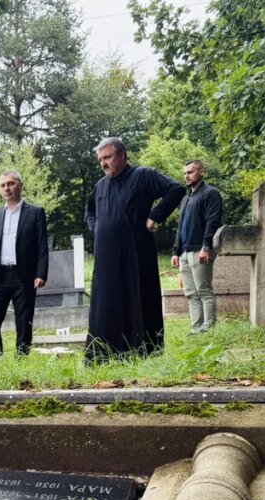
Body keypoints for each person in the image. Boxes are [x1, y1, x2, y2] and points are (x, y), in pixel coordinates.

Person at [84, 137, 185, 362]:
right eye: (100, 159)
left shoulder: (143, 176)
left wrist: (154, 216)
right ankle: (104, 353)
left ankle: (141, 351)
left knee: (138, 297)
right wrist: (97, 227)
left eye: (107, 157)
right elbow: (89, 211)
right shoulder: (100, 186)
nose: (103, 163)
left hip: (136, 254)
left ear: (122, 155)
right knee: (106, 302)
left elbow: (175, 190)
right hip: (106, 258)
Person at [0, 170, 49, 355]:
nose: (7, 188)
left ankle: (22, 358)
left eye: (11, 183)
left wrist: (41, 274)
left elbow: (42, 246)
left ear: (20, 185)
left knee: (24, 319)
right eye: (3, 185)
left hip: (23, 275)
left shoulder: (35, 213)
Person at [171, 160, 223, 334]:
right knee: (191, 293)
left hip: (200, 250)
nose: (186, 176)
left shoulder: (211, 194)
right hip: (184, 253)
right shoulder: (186, 199)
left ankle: (208, 329)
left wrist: (206, 246)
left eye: (190, 172)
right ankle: (196, 329)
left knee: (204, 291)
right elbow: (180, 227)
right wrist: (175, 251)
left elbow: (212, 222)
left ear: (202, 172)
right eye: (185, 173)